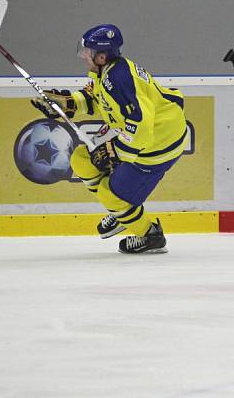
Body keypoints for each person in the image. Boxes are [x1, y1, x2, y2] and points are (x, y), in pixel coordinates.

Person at [30, 24, 187, 254]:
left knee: (111, 194)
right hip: (143, 139)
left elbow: (141, 125)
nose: (84, 55)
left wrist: (116, 152)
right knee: (82, 159)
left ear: (101, 56)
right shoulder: (105, 71)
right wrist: (67, 103)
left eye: (88, 51)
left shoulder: (119, 78)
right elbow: (95, 97)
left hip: (159, 143)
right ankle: (122, 212)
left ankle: (150, 234)